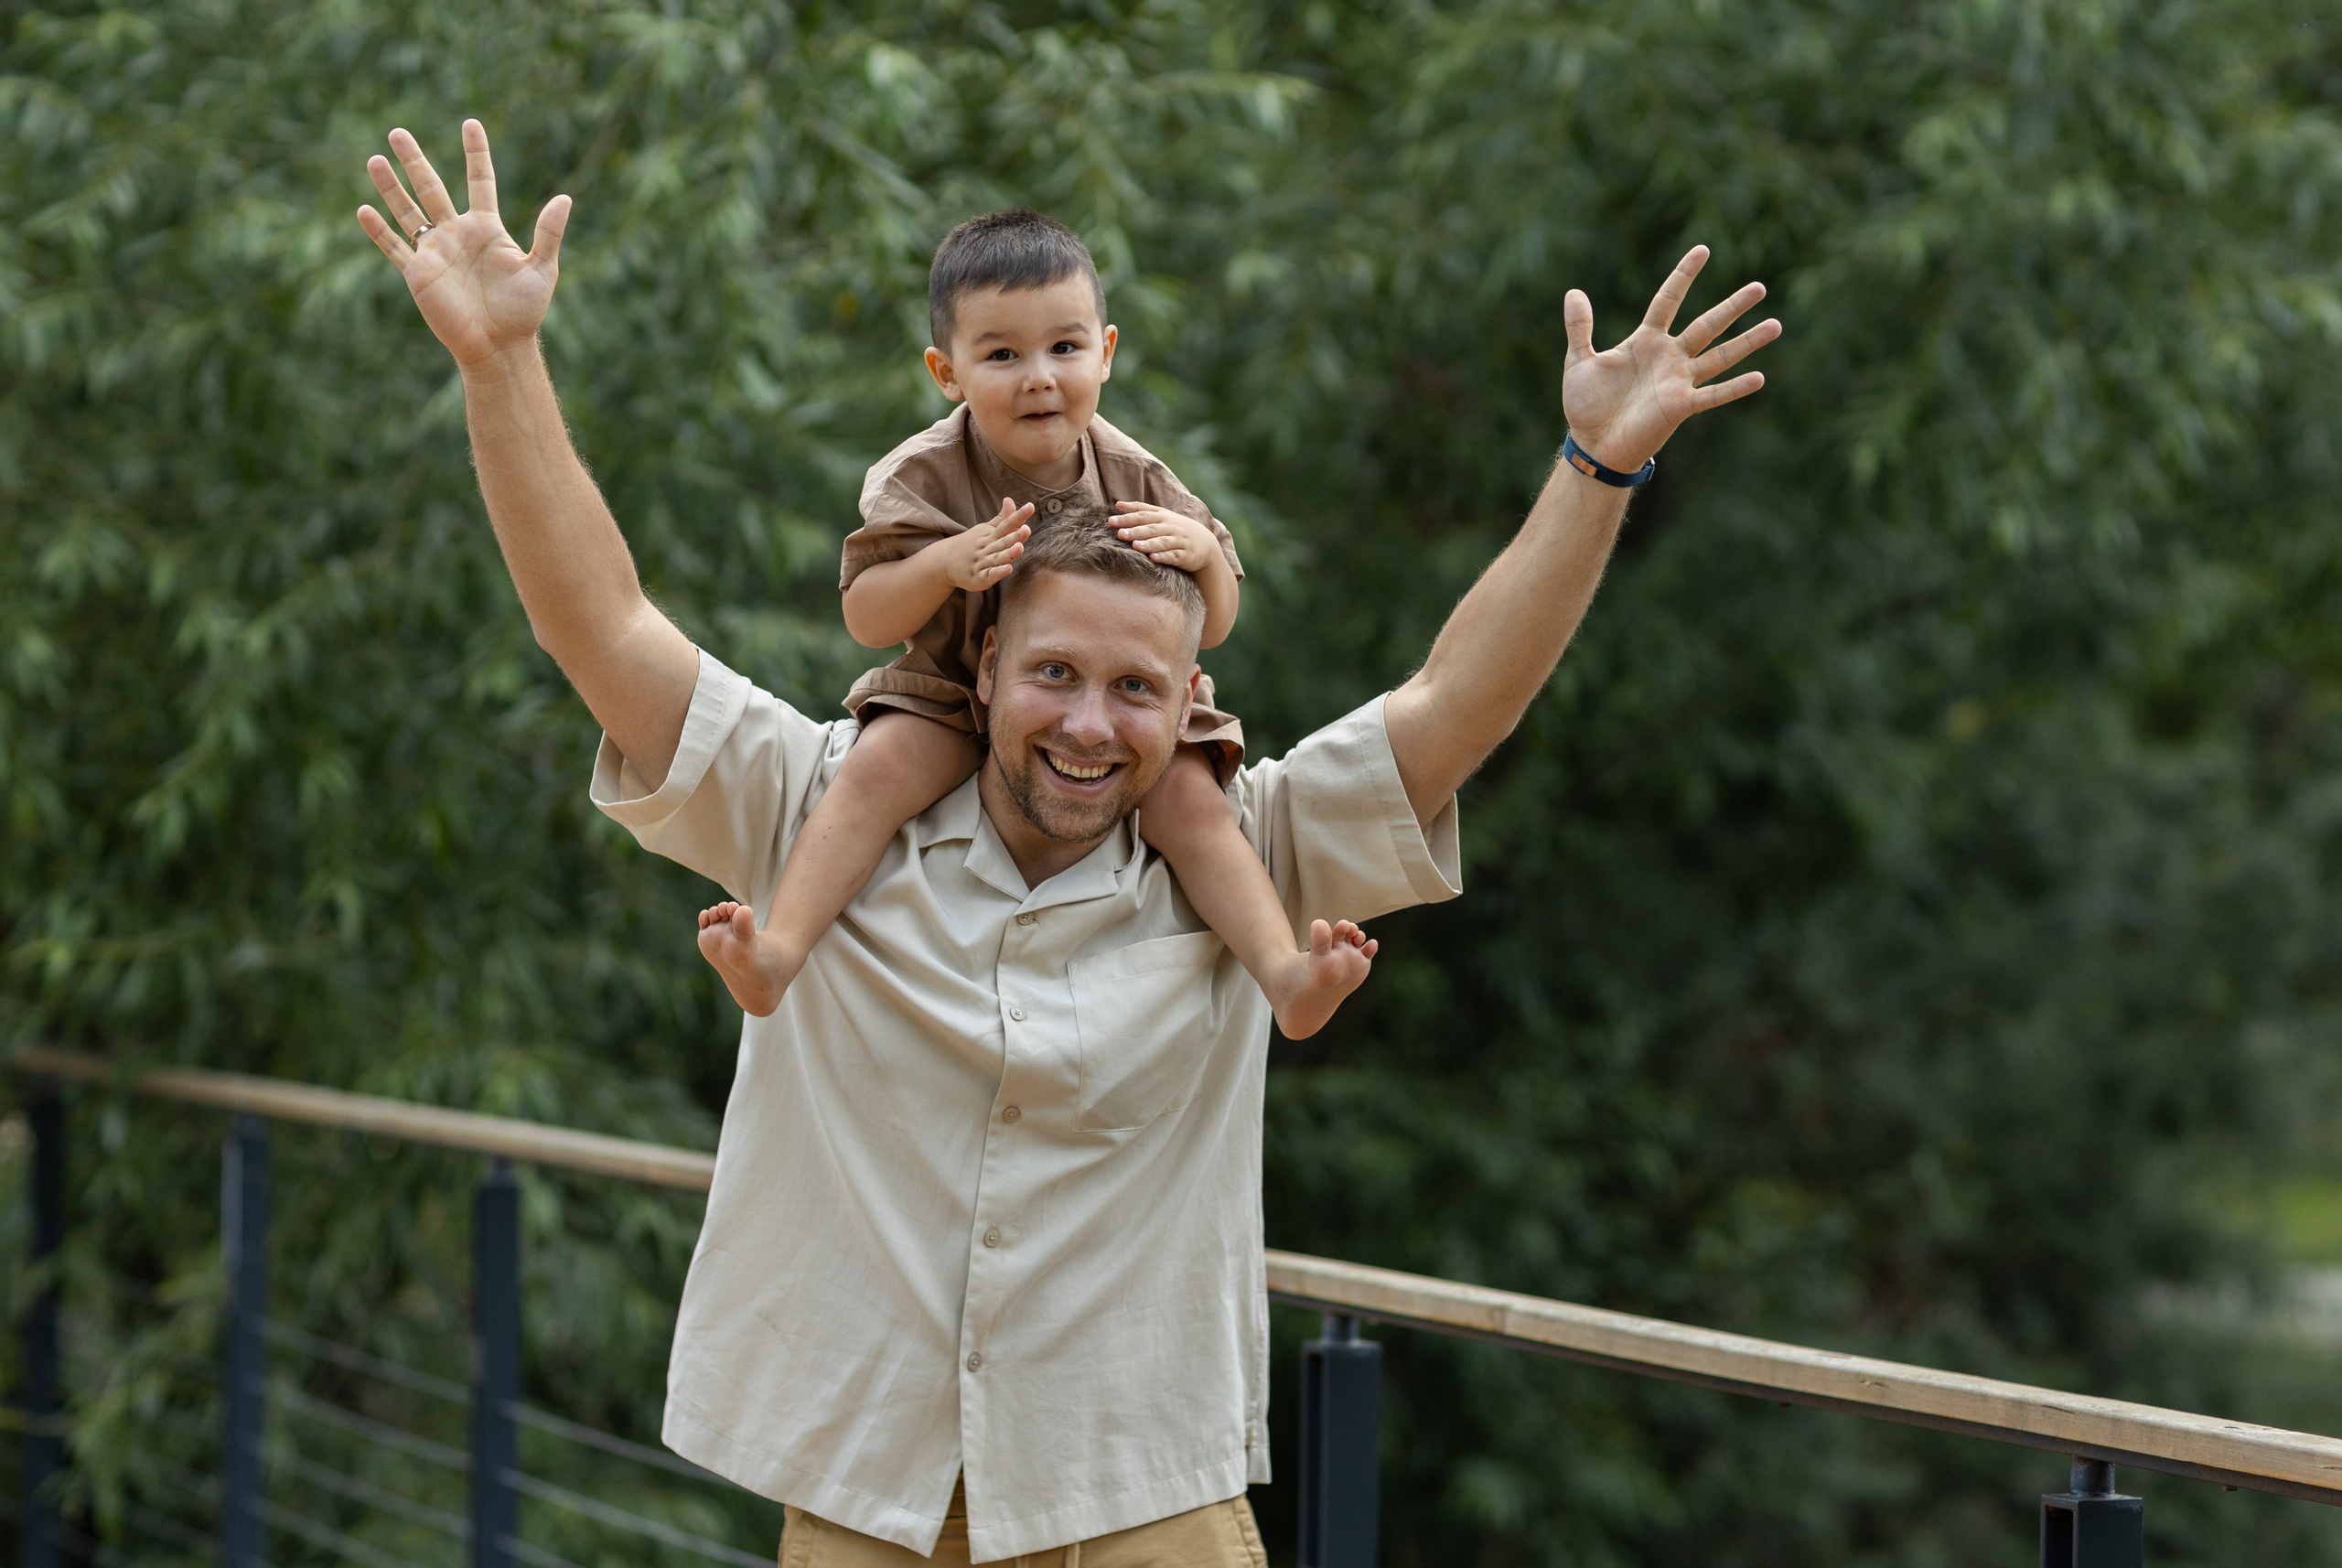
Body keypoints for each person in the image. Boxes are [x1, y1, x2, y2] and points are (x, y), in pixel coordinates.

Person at [357, 120, 1778, 1567]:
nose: (1091, 725)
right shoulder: (819, 807)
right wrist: (501, 365)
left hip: (1140, 1496)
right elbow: (601, 625)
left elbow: (1458, 698)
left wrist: (1596, 467)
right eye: (1053, 677)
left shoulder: (1245, 849)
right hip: (869, 1501)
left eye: (1137, 689)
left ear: (1189, 702)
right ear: (979, 673)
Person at [693, 209, 1379, 1042]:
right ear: (948, 372)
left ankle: (1286, 976)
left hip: (1106, 703)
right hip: (953, 690)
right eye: (1002, 355)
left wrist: (1203, 555)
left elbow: (1219, 624)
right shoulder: (926, 473)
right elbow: (865, 616)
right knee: (874, 774)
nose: (1040, 378)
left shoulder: (1137, 474)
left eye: (1065, 348)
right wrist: (944, 566)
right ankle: (778, 951)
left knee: (1195, 805)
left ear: (1107, 352)